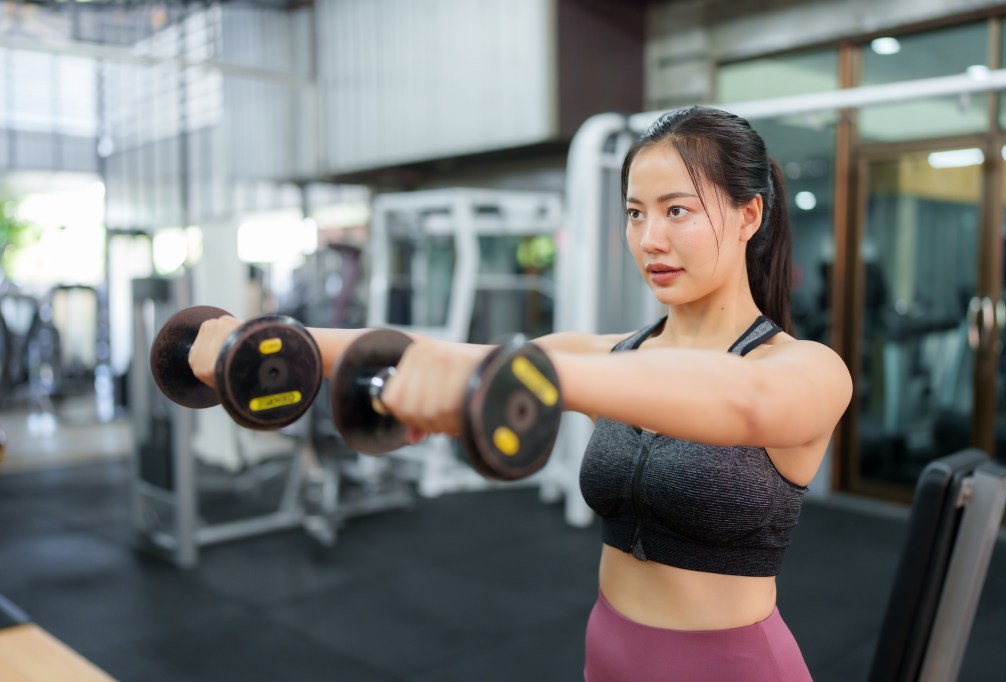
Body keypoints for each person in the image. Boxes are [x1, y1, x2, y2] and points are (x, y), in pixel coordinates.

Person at [188, 105, 852, 681]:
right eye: (635, 213)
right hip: (609, 656)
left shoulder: (807, 371)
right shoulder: (612, 357)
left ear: (748, 214)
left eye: (677, 210)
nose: (650, 239)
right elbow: (447, 355)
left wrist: (533, 375)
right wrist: (269, 339)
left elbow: (742, 401)